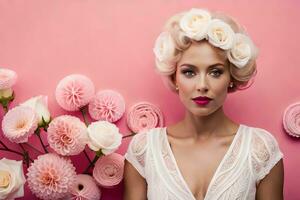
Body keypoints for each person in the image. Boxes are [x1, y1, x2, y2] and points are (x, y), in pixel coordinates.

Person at [124, 8, 284, 200]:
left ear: (231, 76)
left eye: (215, 72)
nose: (202, 86)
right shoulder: (144, 149)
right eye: (189, 72)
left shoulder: (260, 149)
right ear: (174, 77)